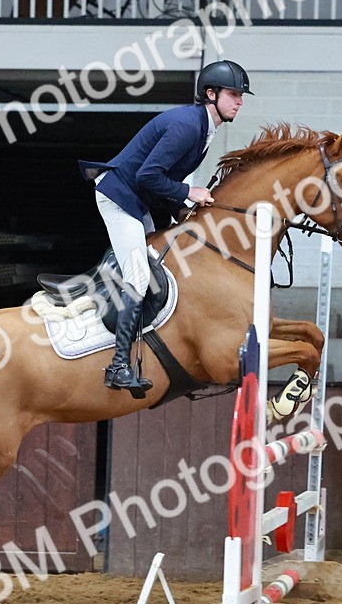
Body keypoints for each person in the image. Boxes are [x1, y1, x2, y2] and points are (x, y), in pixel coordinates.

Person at [78, 59, 252, 394]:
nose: (240, 101)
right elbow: (148, 175)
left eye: (241, 96)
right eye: (234, 94)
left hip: (136, 200)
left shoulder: (204, 127)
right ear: (211, 94)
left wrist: (182, 212)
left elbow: (162, 179)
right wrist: (190, 193)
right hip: (118, 200)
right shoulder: (188, 125)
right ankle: (117, 367)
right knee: (139, 277)